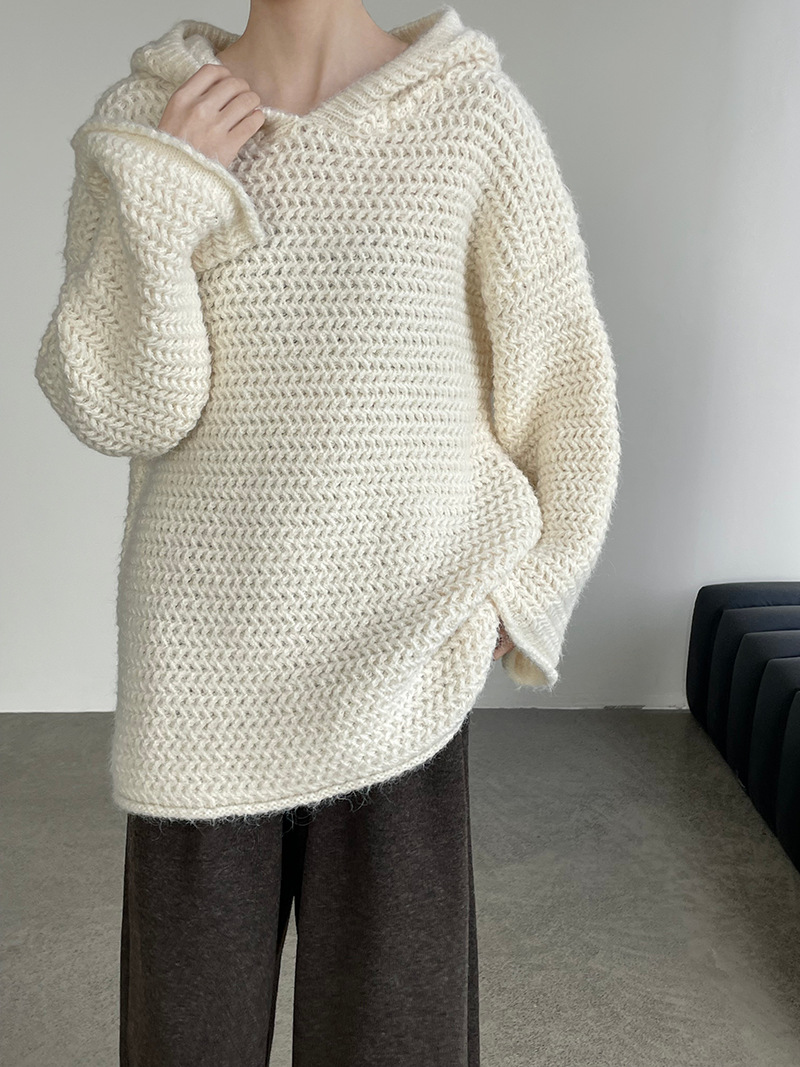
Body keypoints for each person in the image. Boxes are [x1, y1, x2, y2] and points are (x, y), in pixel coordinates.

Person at [34, 2, 621, 1064]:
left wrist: (533, 584)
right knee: (185, 1040)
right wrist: (168, 187)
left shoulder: (470, 116)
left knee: (394, 1039)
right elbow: (126, 409)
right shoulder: (149, 116)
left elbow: (562, 381)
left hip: (404, 666)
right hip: (202, 675)